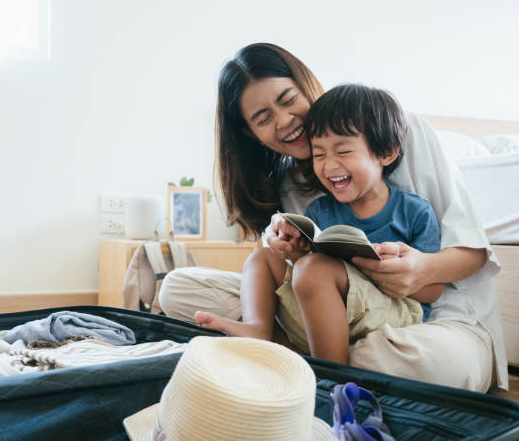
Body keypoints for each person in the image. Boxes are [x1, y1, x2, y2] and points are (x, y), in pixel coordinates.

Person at [158, 43, 508, 392]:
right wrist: (283, 247)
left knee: (434, 363)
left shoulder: (401, 130)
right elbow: (301, 273)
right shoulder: (289, 181)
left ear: (306, 83)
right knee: (177, 288)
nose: (284, 121)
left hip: (434, 323)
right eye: (263, 118)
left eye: (287, 99)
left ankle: (303, 361)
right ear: (251, 133)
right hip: (333, 307)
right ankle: (312, 354)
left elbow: (474, 251)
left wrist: (420, 270)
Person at [196, 84, 444, 364]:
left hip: (392, 308)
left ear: (385, 152)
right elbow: (309, 276)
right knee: (263, 257)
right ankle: (258, 329)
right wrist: (294, 251)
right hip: (331, 304)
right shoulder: (321, 210)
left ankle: (332, 374)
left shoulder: (413, 211)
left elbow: (433, 290)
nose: (329, 165)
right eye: (319, 154)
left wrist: (388, 271)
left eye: (343, 151)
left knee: (314, 270)